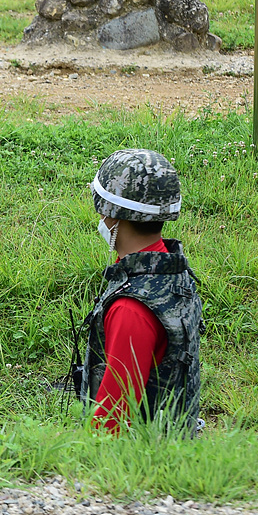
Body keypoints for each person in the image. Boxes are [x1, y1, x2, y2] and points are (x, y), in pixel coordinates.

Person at [78, 149, 202, 434]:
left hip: (132, 465)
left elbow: (113, 417)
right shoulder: (174, 272)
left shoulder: (131, 308)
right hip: (170, 446)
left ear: (110, 214)